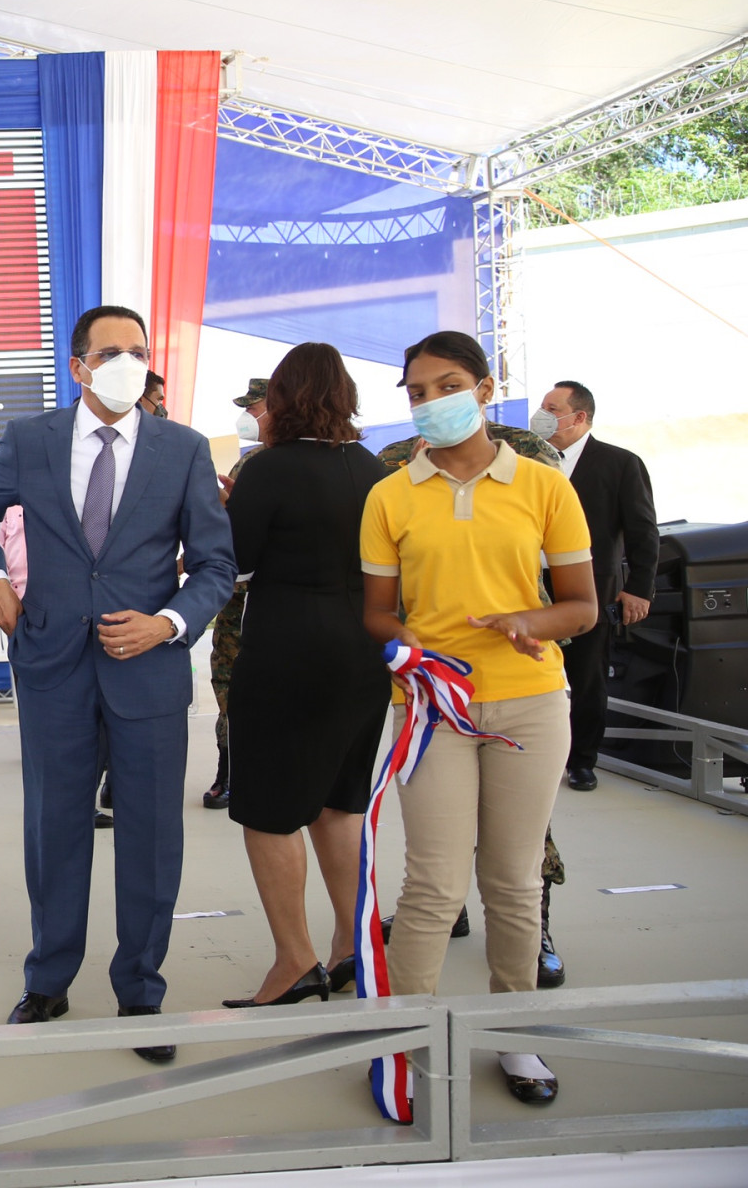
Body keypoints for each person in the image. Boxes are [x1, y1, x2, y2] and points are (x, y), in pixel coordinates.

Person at [0, 304, 234, 1060]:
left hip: (147, 669)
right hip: (52, 663)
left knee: (151, 836)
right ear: (78, 365)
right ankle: (48, 979)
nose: (128, 363)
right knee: (53, 829)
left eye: (137, 351)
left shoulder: (182, 450)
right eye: (111, 352)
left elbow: (215, 565)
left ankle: (141, 990)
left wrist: (168, 623)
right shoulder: (32, 439)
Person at [361, 331, 597, 1107]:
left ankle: (514, 1033)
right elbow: (376, 613)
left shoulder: (544, 486)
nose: (431, 401)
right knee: (433, 884)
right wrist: (412, 649)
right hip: (433, 706)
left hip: (531, 704)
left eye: (447, 385)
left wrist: (532, 621)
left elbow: (582, 607)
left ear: (485, 390)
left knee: (514, 880)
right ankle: (406, 1042)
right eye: (417, 392)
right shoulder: (390, 495)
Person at [220, 345, 391, 1008]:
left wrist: (225, 513)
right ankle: (352, 945)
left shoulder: (270, 469)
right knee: (340, 804)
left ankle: (295, 959)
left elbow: (234, 565)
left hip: (288, 652)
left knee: (268, 811)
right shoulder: (372, 468)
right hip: (364, 653)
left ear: (284, 398)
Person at [530, 380, 658, 793]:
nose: (542, 415)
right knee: (530, 671)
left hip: (589, 588)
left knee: (586, 677)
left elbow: (643, 531)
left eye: (552, 408)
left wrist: (639, 588)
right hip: (530, 585)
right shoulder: (527, 461)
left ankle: (582, 761)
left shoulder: (619, 463)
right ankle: (534, 755)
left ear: (579, 416)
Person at [204, 378, 272, 811]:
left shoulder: (286, 465)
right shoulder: (249, 462)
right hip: (235, 598)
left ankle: (262, 771)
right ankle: (227, 772)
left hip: (270, 599)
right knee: (227, 680)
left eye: (254, 407)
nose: (247, 416)